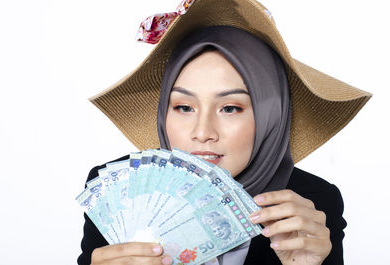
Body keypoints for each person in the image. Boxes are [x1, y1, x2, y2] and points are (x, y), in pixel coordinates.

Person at [78, 0, 371, 264]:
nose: (203, 132)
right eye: (183, 107)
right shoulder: (121, 191)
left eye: (230, 108)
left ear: (271, 117)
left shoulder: (313, 202)